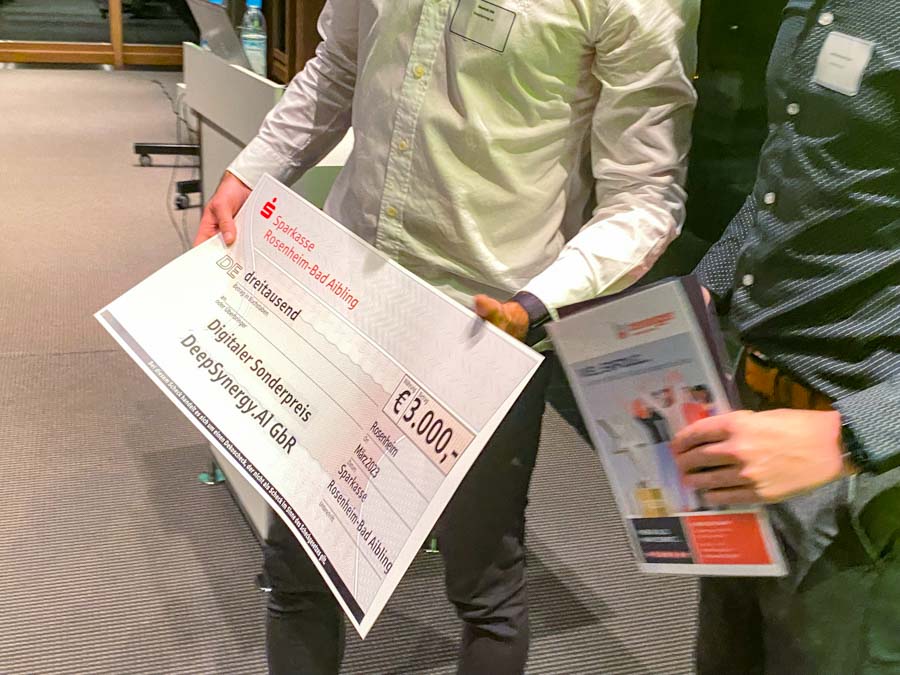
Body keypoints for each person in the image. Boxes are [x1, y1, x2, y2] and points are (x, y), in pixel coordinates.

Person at [195, 1, 698, 672]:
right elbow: (339, 68)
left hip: (486, 328)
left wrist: (538, 303)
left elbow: (644, 194)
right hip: (350, 294)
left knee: (484, 585)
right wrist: (248, 172)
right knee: (298, 564)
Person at [671, 2, 900, 672]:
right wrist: (701, 290)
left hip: (859, 471)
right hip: (747, 420)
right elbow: (793, 178)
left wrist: (849, 436)